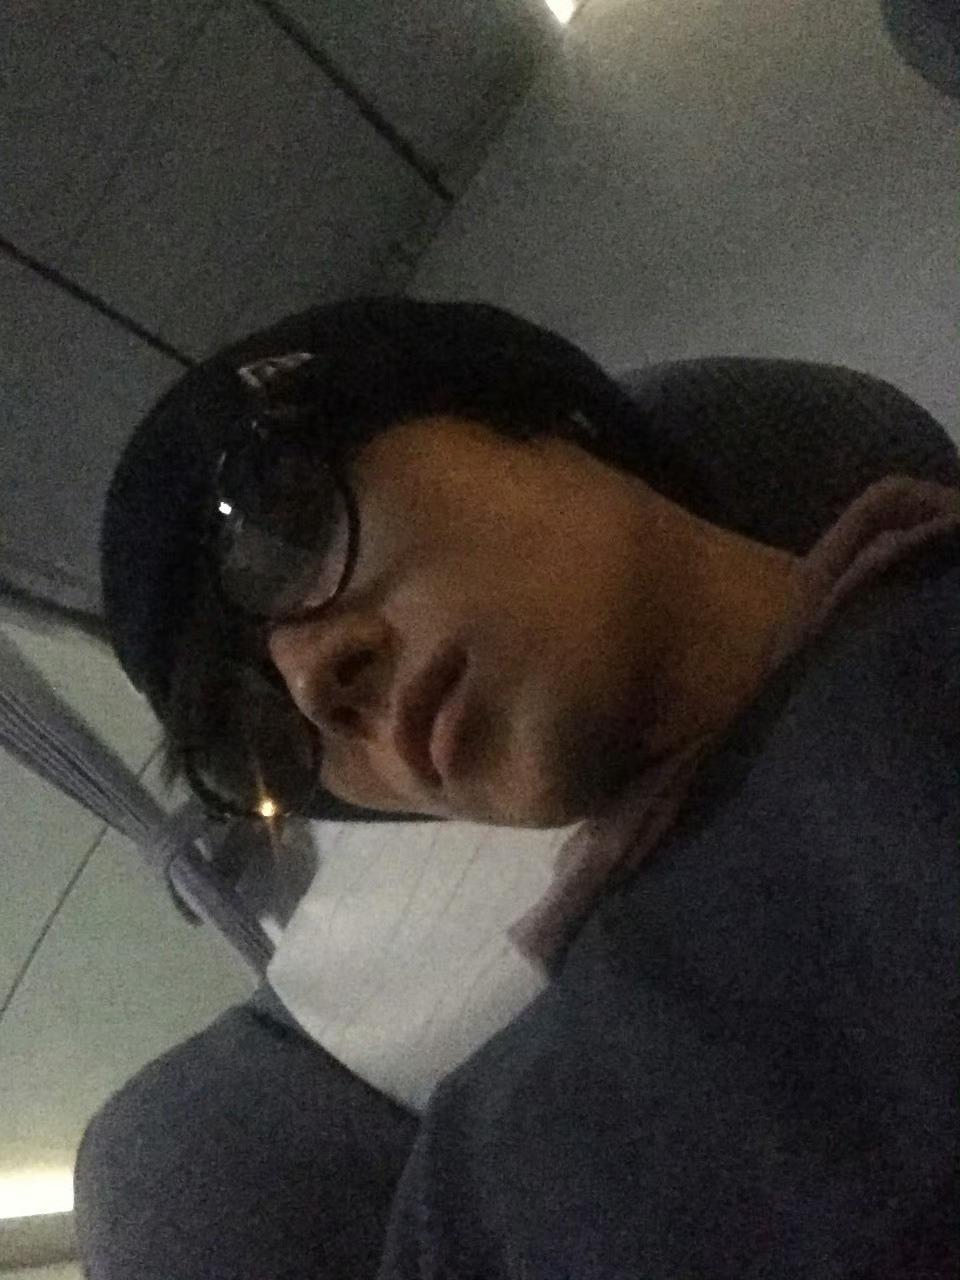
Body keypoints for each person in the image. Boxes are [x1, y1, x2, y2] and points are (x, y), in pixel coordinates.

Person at [96, 298, 958, 1278]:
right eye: (253, 727)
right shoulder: (479, 1194)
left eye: (284, 526)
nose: (311, 684)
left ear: (549, 416)